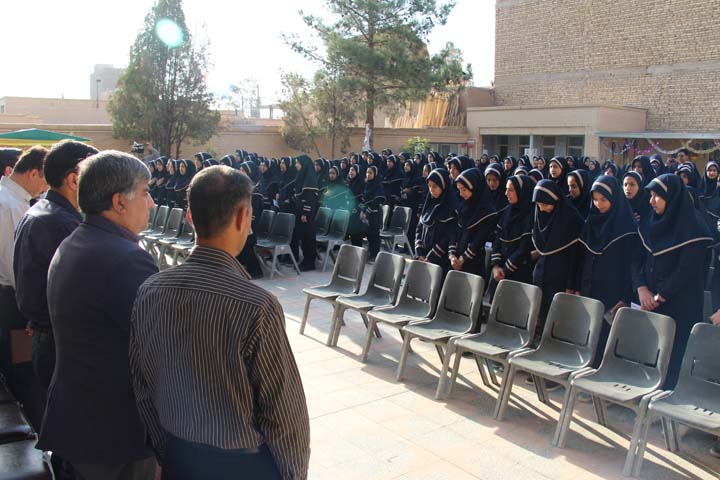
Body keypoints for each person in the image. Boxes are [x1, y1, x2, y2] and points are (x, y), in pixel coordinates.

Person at [129, 166, 310, 480]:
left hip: (179, 457)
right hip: (243, 467)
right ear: (242, 217)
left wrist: (167, 451)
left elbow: (142, 386)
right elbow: (283, 414)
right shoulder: (255, 305)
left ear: (189, 216)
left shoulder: (150, 291)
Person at [38, 150, 158, 480]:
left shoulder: (78, 240)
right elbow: (161, 346)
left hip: (80, 424)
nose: (150, 203)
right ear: (119, 202)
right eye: (145, 192)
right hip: (112, 437)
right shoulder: (125, 258)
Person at [13, 140, 98, 425]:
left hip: (45, 336)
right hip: (60, 343)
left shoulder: (43, 211)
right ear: (75, 179)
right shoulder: (60, 223)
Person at [634, 174, 715, 388]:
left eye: (657, 196)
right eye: (650, 195)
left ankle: (668, 397)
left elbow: (685, 271)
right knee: (651, 350)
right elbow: (637, 260)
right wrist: (641, 287)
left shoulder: (693, 228)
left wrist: (659, 297)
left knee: (675, 354)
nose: (651, 201)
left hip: (680, 305)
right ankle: (646, 394)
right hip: (649, 299)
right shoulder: (650, 222)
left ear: (672, 197)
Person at [0, 146, 48, 418]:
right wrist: (31, 314)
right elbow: (15, 266)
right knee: (22, 376)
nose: (44, 187)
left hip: (10, 299)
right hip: (12, 302)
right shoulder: (10, 205)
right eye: (43, 179)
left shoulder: (9, 199)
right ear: (32, 173)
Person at [578, 175, 641, 366]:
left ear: (614, 199)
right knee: (589, 332)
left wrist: (625, 296)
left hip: (613, 292)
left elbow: (631, 266)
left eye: (603, 200)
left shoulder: (627, 227)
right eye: (595, 199)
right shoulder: (590, 222)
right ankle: (587, 371)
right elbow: (582, 258)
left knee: (607, 336)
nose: (598, 204)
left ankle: (602, 378)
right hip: (590, 287)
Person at [531, 179, 583, 339]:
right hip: (542, 273)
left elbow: (576, 256)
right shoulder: (540, 215)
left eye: (545, 204)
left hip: (561, 275)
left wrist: (570, 284)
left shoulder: (571, 219)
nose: (541, 208)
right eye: (538, 204)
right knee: (538, 313)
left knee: (556, 318)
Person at [490, 174, 535, 290]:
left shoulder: (531, 215)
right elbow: (497, 240)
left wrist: (505, 269)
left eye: (510, 190)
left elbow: (524, 247)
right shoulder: (507, 212)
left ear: (521, 192)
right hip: (499, 273)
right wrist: (495, 266)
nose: (506, 193)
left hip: (520, 273)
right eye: (506, 189)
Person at [450, 168, 497, 278]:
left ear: (475, 187)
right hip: (456, 259)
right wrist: (452, 255)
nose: (461, 194)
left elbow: (479, 240)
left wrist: (462, 259)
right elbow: (454, 232)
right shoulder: (462, 206)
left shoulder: (488, 212)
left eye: (464, 190)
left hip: (474, 262)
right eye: (459, 190)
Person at [415, 168, 457, 275]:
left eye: (435, 186)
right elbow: (419, 228)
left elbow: (449, 236)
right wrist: (419, 251)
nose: (431, 189)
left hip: (439, 259)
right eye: (429, 186)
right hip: (422, 256)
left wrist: (431, 256)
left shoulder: (449, 209)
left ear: (443, 187)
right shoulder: (428, 205)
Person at [291, 155, 319, 271]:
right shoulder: (301, 176)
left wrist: (305, 213)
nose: (296, 165)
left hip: (306, 213)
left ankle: (310, 262)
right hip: (300, 211)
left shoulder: (310, 179)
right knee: (303, 237)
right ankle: (305, 260)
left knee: (308, 237)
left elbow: (310, 199)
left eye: (297, 163)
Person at [360, 166, 386, 262]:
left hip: (375, 214)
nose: (368, 174)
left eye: (370, 173)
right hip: (367, 213)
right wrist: (363, 211)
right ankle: (370, 253)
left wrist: (368, 211)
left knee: (375, 235)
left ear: (375, 174)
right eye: (367, 172)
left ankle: (375, 255)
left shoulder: (378, 185)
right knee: (369, 235)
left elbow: (378, 199)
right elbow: (364, 199)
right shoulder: (367, 184)